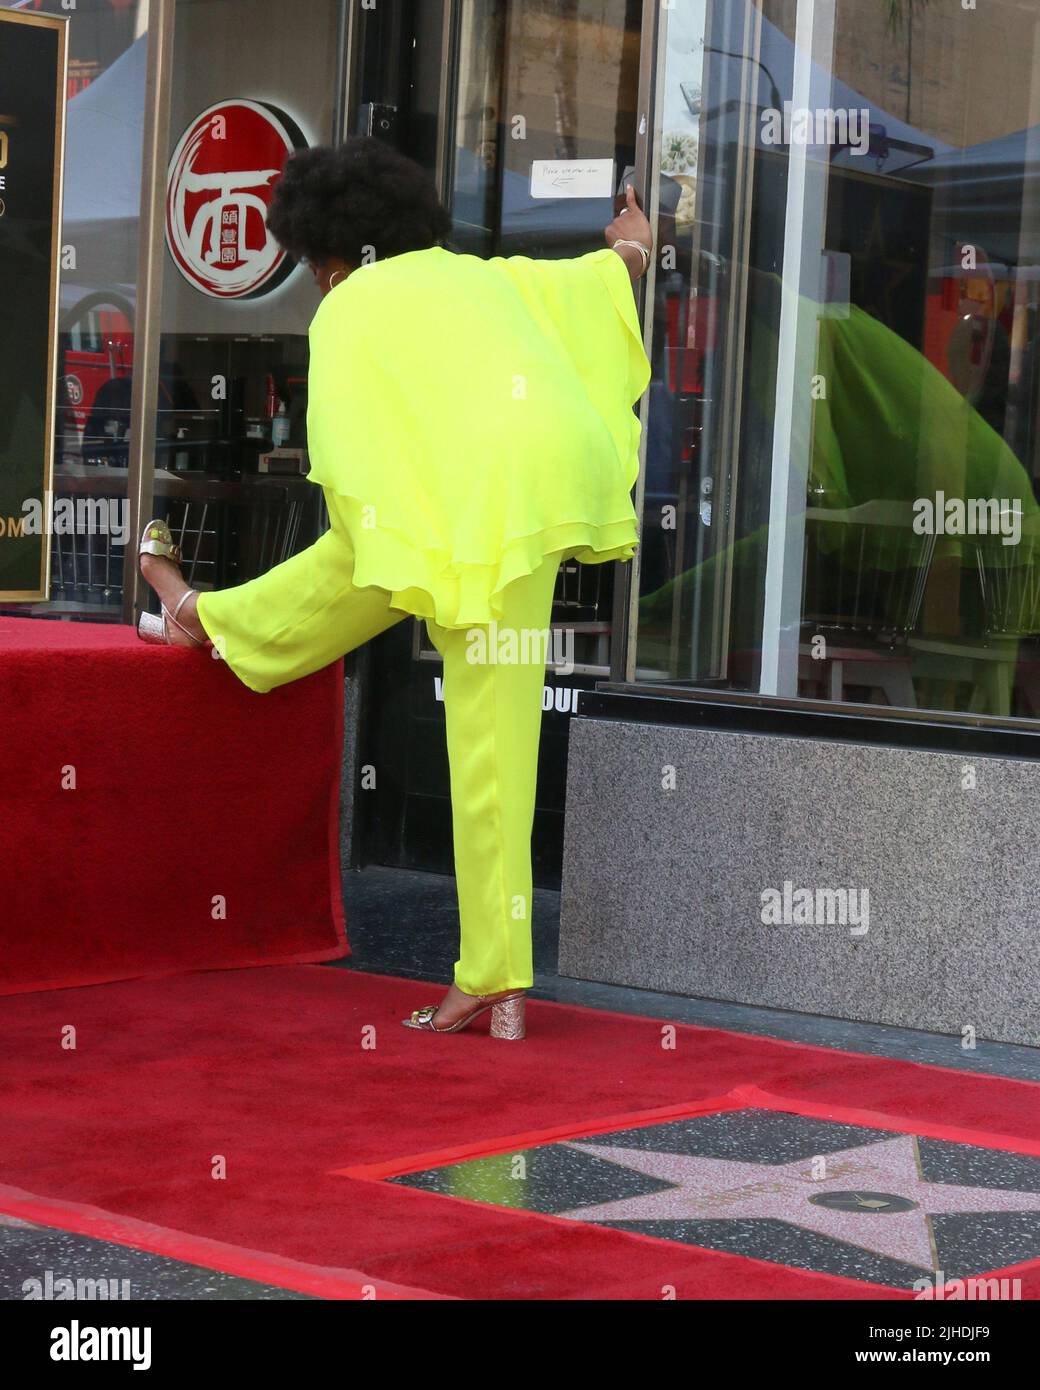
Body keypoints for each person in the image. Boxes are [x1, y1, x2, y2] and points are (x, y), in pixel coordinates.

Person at [138, 137, 653, 1039]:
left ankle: (200, 619)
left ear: (325, 252)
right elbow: (599, 280)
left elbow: (341, 461)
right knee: (497, 746)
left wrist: (374, 528)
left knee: (355, 567)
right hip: (529, 510)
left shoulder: (348, 307)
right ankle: (499, 983)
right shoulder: (488, 276)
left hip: (441, 519)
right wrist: (635, 245)